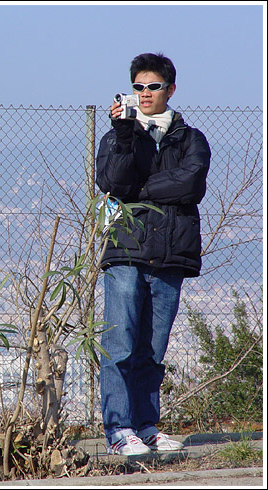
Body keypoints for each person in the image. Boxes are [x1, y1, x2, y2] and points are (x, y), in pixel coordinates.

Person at [95, 52, 211, 456]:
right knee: (120, 346)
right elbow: (111, 182)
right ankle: (119, 430)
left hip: (170, 254)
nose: (144, 94)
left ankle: (146, 425)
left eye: (153, 86)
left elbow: (191, 183)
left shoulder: (190, 138)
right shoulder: (117, 135)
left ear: (170, 89)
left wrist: (139, 192)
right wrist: (125, 135)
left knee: (153, 349)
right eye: (138, 87)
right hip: (125, 251)